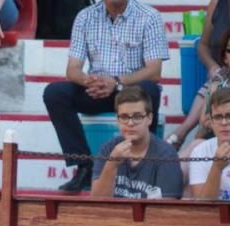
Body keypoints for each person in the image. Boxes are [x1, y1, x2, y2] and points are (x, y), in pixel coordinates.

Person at [42, 0, 169, 193]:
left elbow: (154, 71)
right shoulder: (85, 16)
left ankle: (142, 164)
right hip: (98, 90)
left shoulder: (149, 16)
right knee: (54, 93)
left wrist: (117, 83)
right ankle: (84, 166)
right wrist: (89, 81)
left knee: (149, 89)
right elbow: (73, 69)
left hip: (130, 90)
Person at [91, 85, 183, 199]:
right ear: (117, 120)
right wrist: (112, 164)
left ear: (149, 118)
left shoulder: (166, 154)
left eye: (137, 116)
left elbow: (167, 210)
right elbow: (96, 204)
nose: (130, 123)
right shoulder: (108, 149)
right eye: (124, 117)